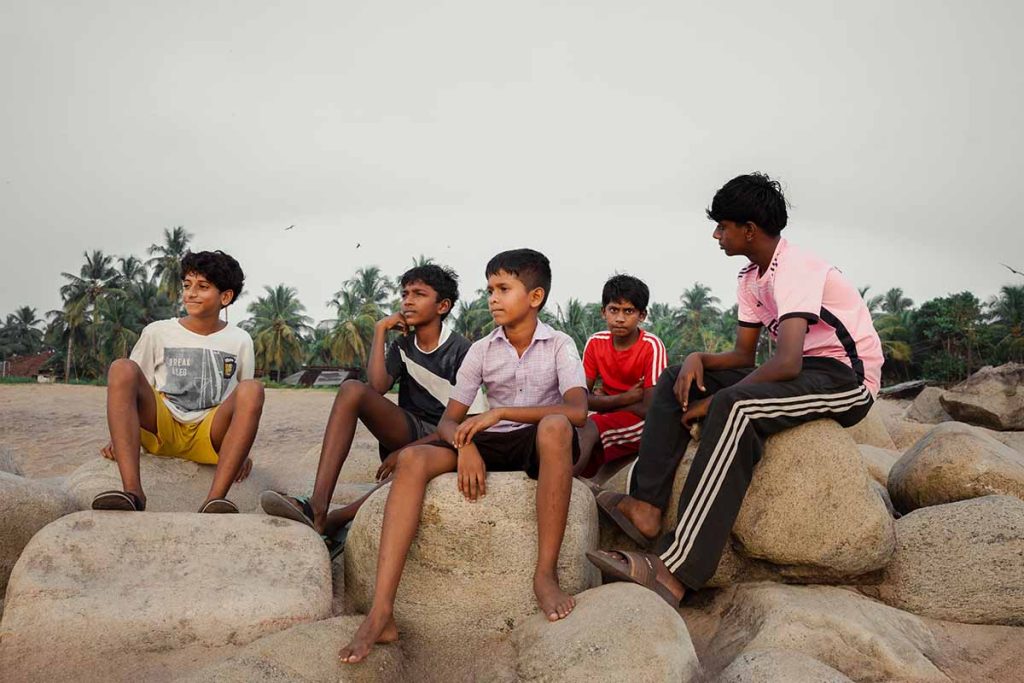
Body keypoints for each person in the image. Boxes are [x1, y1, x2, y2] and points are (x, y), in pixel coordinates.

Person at [588, 173, 883, 606]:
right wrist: (697, 361)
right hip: (800, 372)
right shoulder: (751, 277)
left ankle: (675, 570)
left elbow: (786, 362)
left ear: (749, 229)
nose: (716, 234)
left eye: (723, 226)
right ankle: (647, 508)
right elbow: (745, 356)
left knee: (736, 408)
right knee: (674, 380)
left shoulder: (796, 267)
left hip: (845, 378)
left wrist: (712, 402)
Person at [338, 248, 588, 664]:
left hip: (538, 441)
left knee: (556, 425)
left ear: (535, 297)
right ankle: (382, 610)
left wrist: (502, 412)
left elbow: (577, 410)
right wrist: (466, 445)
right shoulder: (483, 350)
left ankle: (544, 574)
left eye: (503, 288)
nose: (492, 298)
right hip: (488, 440)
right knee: (414, 461)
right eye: (489, 289)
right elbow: (450, 422)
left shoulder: (560, 344)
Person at [260, 264, 484, 554]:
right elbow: (376, 386)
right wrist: (380, 330)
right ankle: (318, 505)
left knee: (410, 467)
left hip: (447, 439)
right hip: (410, 429)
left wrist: (408, 450)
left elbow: (469, 425)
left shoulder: (462, 350)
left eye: (419, 294)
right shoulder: (404, 344)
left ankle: (336, 519)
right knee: (352, 390)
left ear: (442, 305)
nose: (407, 301)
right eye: (404, 294)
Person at [93, 250, 263, 513]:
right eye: (187, 285)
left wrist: (242, 453)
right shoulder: (158, 332)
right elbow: (130, 391)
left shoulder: (240, 339)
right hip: (162, 427)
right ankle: (133, 493)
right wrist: (120, 437)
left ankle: (214, 500)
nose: (191, 293)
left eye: (203, 287)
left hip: (210, 433)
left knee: (253, 389)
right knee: (122, 368)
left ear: (225, 297)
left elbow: (242, 403)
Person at [574, 274, 667, 482]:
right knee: (571, 426)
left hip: (645, 424)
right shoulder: (596, 342)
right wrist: (628, 397)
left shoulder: (651, 345)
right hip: (614, 415)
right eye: (614, 310)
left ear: (642, 315)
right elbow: (579, 399)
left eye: (629, 311)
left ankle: (565, 480)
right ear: (603, 312)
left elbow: (651, 409)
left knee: (589, 426)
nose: (620, 318)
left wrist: (603, 402)